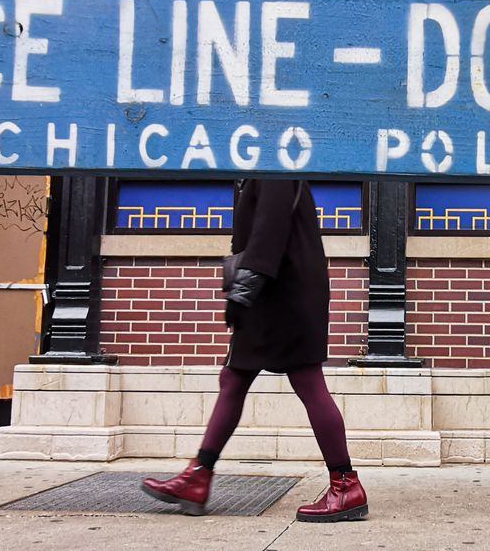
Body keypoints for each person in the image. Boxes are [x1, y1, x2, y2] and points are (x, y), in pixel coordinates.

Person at [142, 178, 368, 522]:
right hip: (272, 294)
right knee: (233, 378)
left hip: (284, 296)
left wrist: (241, 292)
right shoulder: (256, 166)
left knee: (307, 381)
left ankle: (345, 485)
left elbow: (269, 231)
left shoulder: (275, 164)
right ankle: (198, 476)